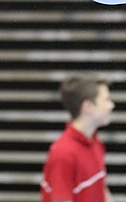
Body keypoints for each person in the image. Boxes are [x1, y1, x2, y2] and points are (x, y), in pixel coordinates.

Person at [40, 74, 115, 202]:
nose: (111, 105)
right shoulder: (63, 153)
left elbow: (101, 188)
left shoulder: (94, 141)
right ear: (88, 106)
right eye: (106, 100)